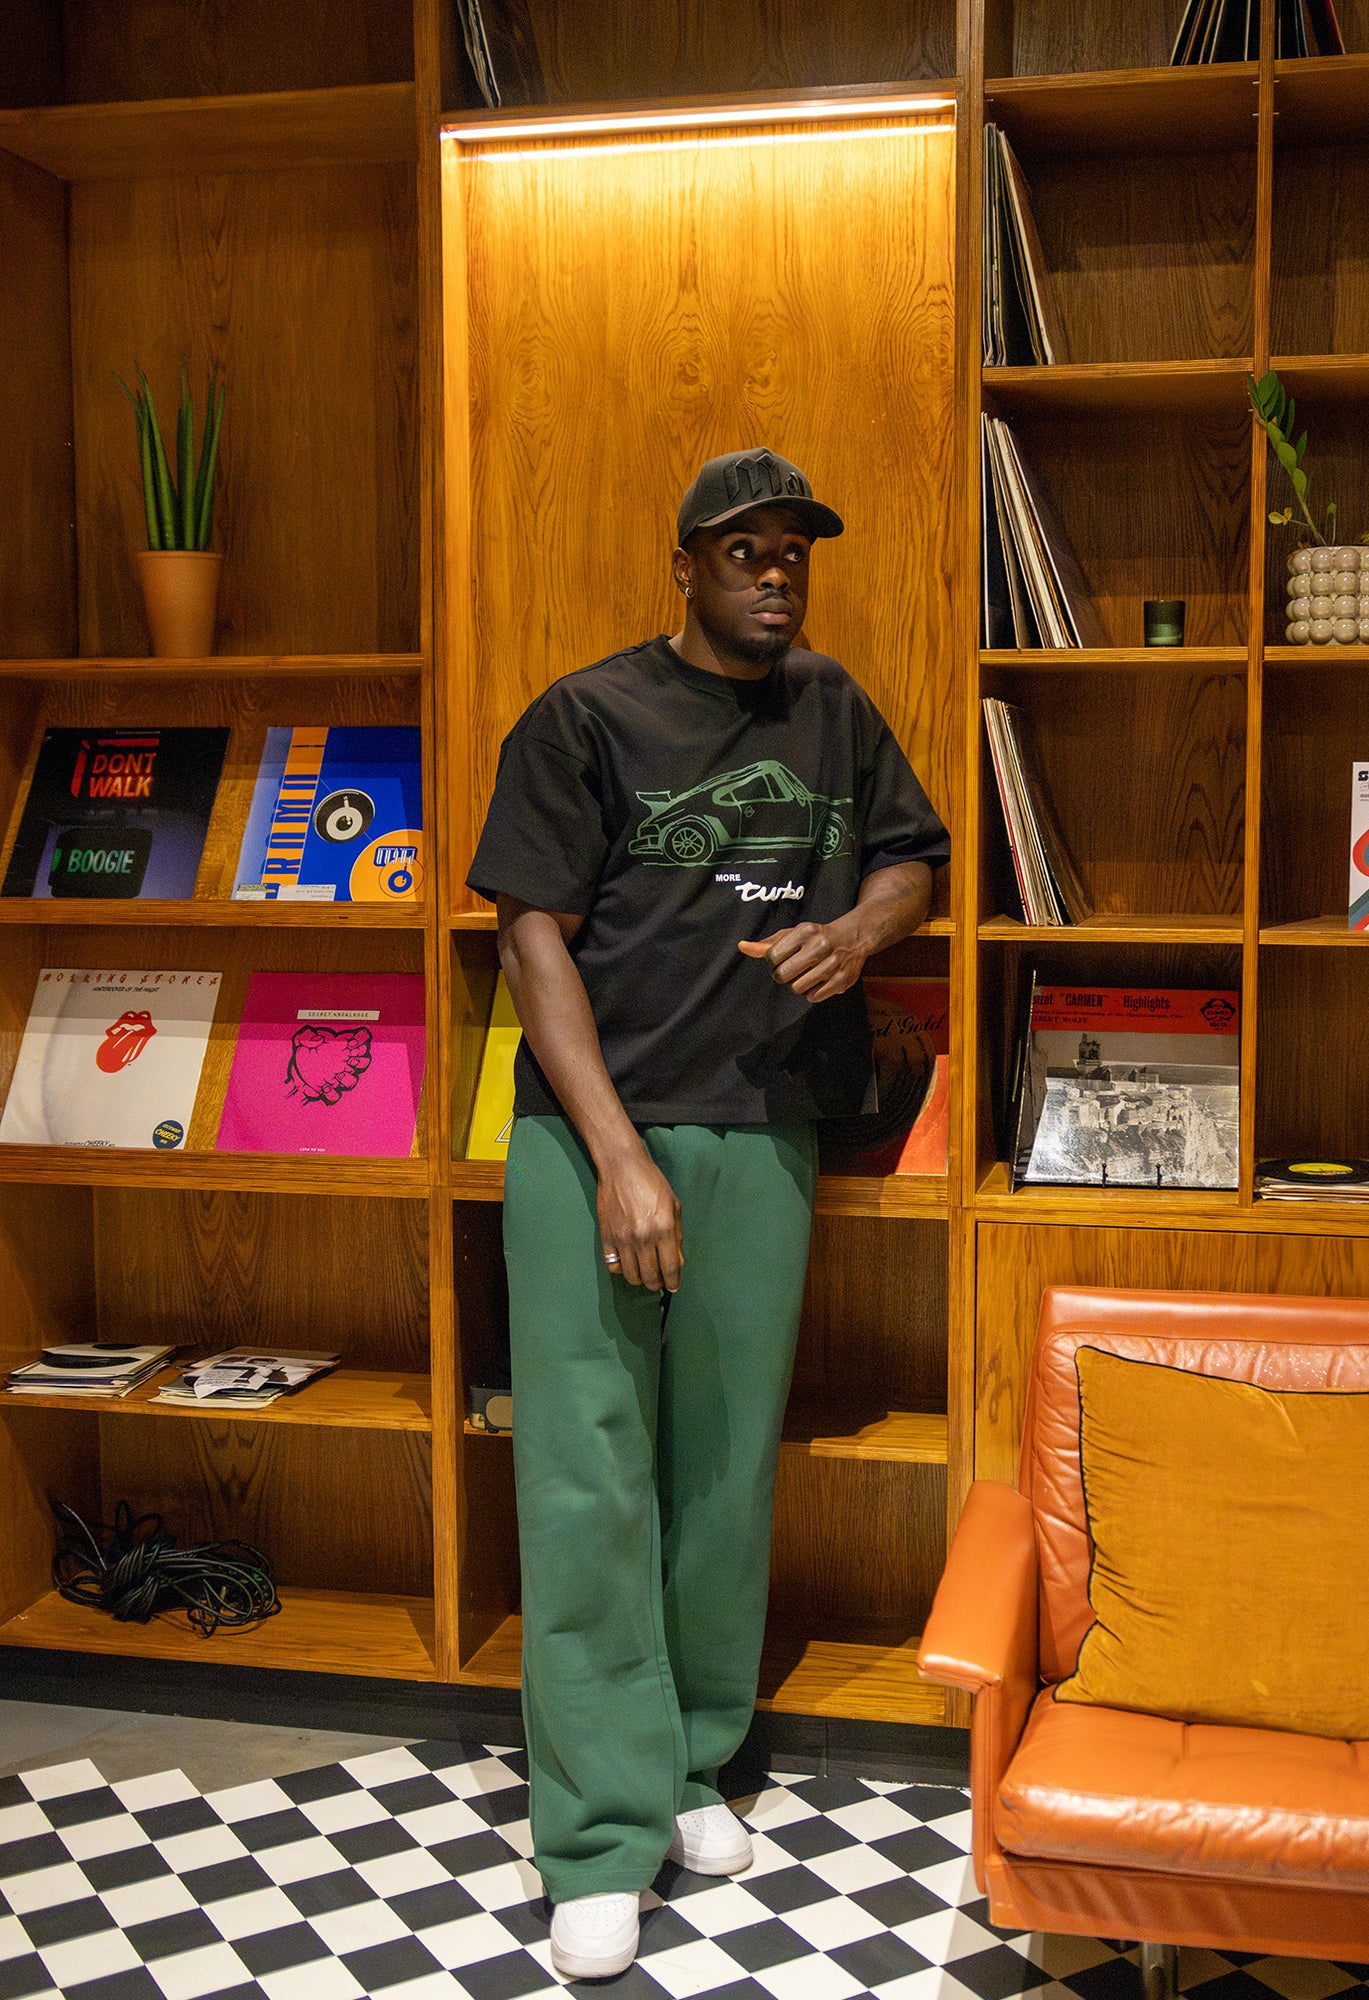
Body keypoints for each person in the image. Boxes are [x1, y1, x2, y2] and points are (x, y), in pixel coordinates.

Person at [465, 447, 949, 1980]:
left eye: (793, 549)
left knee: (725, 1472)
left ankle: (687, 1763)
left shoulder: (834, 705)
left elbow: (914, 859)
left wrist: (858, 934)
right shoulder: (584, 715)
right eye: (744, 550)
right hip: (590, 1141)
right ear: (684, 564)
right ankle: (596, 1834)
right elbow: (530, 937)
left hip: (764, 1129)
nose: (775, 573)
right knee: (589, 1479)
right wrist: (617, 1158)